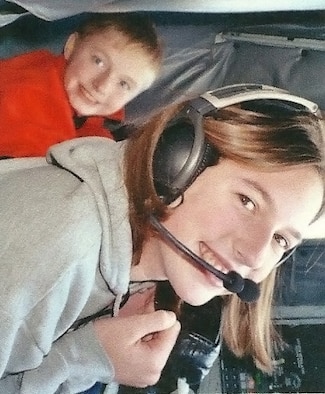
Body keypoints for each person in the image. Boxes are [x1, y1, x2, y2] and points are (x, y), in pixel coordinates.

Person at [0, 84, 324, 394]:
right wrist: (81, 360)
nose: (253, 255)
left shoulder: (129, 258)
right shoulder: (59, 250)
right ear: (178, 158)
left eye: (281, 239)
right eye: (247, 201)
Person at [0, 12, 162, 158]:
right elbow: (31, 165)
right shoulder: (33, 89)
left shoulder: (89, 115)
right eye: (98, 61)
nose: (102, 85)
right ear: (71, 46)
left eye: (123, 84)